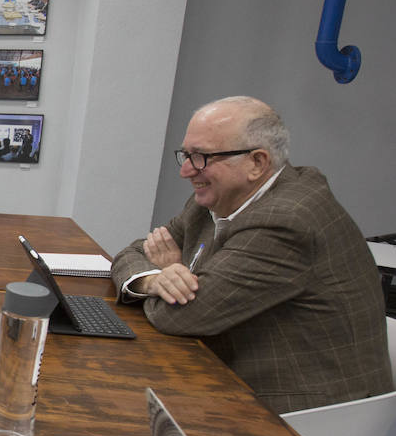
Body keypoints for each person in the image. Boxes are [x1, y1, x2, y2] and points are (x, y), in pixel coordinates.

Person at [111, 96, 391, 414]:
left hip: (304, 413)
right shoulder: (212, 202)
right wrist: (154, 279)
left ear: (257, 163)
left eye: (201, 157)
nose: (186, 171)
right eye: (186, 155)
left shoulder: (286, 221)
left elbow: (180, 316)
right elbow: (133, 251)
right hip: (227, 370)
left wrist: (172, 270)